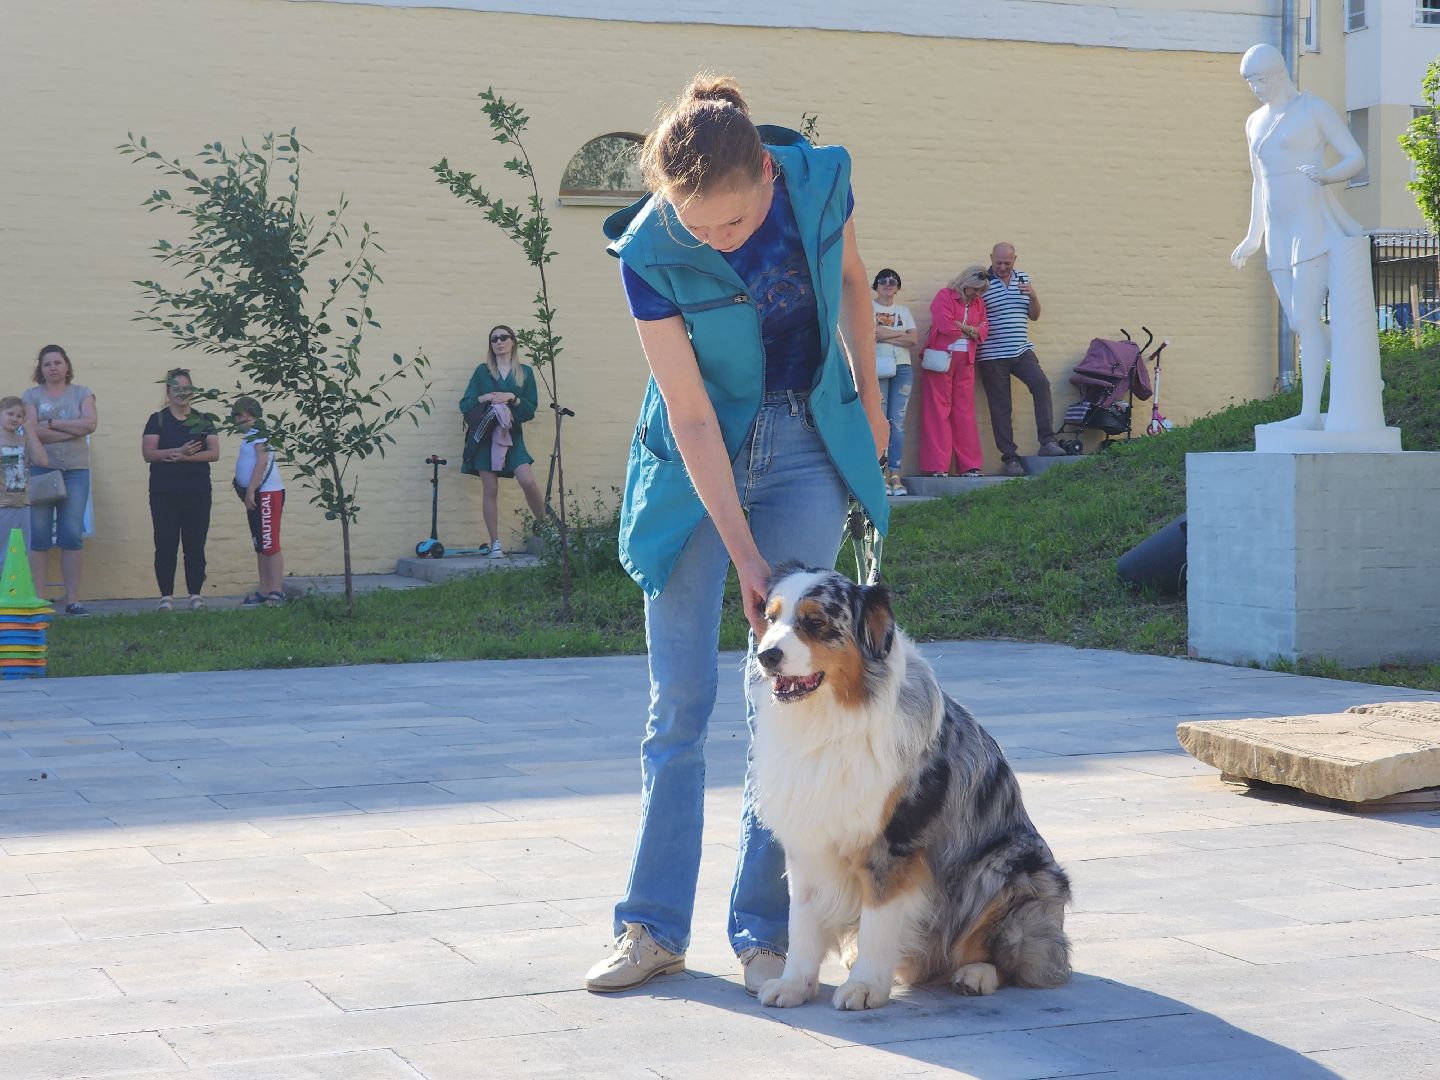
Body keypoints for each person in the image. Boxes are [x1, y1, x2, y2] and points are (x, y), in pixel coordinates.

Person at [588, 73, 888, 996]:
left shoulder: (815, 180)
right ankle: (651, 929)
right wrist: (747, 560)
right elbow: (690, 416)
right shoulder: (648, 250)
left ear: (766, 173)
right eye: (697, 227)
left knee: (790, 696)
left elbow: (846, 283)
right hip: (693, 466)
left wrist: (872, 409)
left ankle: (765, 930)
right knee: (678, 702)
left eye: (731, 226)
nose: (714, 242)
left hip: (803, 442)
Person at [1231, 42, 1366, 430]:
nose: (1255, 88)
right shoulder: (1254, 121)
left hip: (1310, 224)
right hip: (1278, 228)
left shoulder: (1313, 110)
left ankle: (1310, 414)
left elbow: (1354, 157)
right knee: (1297, 323)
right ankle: (1358, 364)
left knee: (1305, 318)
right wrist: (1253, 235)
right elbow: (1259, 183)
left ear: (1277, 74)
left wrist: (1327, 176)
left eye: (1258, 79)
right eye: (1250, 82)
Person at [976, 244, 1066, 476]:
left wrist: (1034, 296)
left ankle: (1047, 442)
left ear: (1015, 259)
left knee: (1041, 385)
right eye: (999, 263)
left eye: (1008, 263)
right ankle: (1010, 458)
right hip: (992, 356)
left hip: (1022, 351)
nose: (1003, 267)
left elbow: (1034, 316)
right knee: (1001, 408)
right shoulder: (982, 282)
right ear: (991, 259)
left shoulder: (1023, 278)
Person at [458, 325, 547, 559]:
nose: (499, 342)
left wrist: (513, 398)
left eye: (503, 338)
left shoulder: (524, 373)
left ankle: (546, 529)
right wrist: (485, 397)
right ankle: (495, 543)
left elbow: (530, 409)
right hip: (486, 437)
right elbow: (466, 404)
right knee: (491, 489)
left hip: (512, 436)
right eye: (494, 339)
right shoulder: (482, 372)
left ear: (513, 341)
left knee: (527, 480)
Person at [23, 345, 97, 615]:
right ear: (40, 369)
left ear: (67, 366)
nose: (53, 368)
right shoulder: (30, 396)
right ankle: (39, 599)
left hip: (76, 471)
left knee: (72, 535)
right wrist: (71, 428)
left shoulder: (82, 393)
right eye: (47, 364)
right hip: (42, 471)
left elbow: (90, 424)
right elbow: (33, 432)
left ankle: (73, 599)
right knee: (39, 536)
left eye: (57, 362)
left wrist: (51, 424)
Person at [140, 369, 219, 611]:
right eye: (176, 389)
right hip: (164, 493)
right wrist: (178, 451)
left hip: (197, 492)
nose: (181, 394)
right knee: (165, 544)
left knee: (195, 544)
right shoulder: (158, 419)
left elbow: (214, 453)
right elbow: (148, 453)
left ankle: (196, 595)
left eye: (186, 389)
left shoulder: (204, 420)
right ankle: (166, 597)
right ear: (168, 392)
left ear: (192, 391)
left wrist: (185, 458)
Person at [919, 266, 990, 478]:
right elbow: (945, 325)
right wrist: (972, 330)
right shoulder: (945, 296)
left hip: (966, 361)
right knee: (938, 412)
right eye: (975, 290)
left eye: (981, 291)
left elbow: (984, 330)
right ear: (965, 283)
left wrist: (966, 327)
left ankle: (969, 465)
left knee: (964, 412)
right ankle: (938, 465)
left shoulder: (979, 303)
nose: (978, 294)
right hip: (942, 360)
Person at [230, 397, 286, 607]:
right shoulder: (250, 436)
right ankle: (264, 589)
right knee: (260, 544)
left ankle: (276, 591)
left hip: (267, 494)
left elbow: (262, 460)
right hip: (256, 495)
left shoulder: (258, 432)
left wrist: (251, 489)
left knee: (270, 543)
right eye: (237, 415)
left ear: (250, 414)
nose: (239, 419)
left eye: (242, 414)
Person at [872, 268, 917, 494]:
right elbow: (872, 334)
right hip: (877, 368)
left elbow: (914, 339)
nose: (888, 284)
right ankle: (879, 474)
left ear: (898, 287)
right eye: (883, 281)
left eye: (893, 281)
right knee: (879, 421)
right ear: (876, 285)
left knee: (897, 423)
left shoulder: (903, 310)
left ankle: (895, 474)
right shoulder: (869, 307)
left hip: (903, 368)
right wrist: (900, 333)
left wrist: (885, 332)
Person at [0, 396, 47, 550]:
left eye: (19, 416)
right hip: (3, 505)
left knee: (20, 553)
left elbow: (42, 461)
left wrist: (29, 430)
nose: (15, 418)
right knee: (3, 554)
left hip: (23, 505)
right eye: (10, 414)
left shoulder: (23, 441)